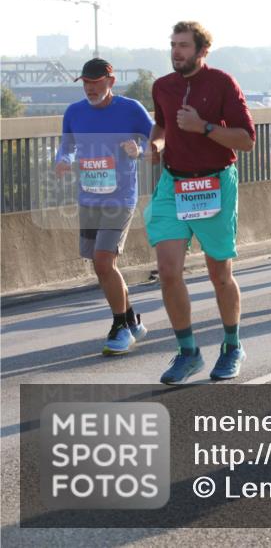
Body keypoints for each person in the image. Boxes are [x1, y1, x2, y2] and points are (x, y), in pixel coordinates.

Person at [145, 21, 255, 383]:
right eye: (173, 44)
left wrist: (204, 127)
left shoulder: (222, 83)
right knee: (168, 272)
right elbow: (162, 127)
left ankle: (232, 345)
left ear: (202, 51)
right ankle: (188, 352)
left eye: (184, 46)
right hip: (173, 185)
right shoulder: (162, 86)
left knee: (219, 275)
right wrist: (156, 146)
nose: (176, 51)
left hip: (215, 183)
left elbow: (246, 140)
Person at [55, 58, 153, 355]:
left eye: (96, 83)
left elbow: (158, 140)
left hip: (120, 198)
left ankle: (120, 327)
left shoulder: (130, 109)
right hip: (88, 198)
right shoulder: (74, 112)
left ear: (111, 82)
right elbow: (67, 145)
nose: (90, 89)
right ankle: (132, 320)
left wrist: (141, 150)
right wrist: (62, 159)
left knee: (102, 262)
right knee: (104, 268)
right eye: (85, 83)